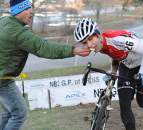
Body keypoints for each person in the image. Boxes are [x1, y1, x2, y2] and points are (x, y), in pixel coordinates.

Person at [0, 0, 90, 130]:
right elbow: (43, 48)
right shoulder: (18, 33)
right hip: (3, 80)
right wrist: (73, 50)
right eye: (27, 9)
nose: (31, 11)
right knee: (19, 114)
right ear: (17, 11)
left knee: (9, 113)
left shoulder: (4, 22)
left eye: (31, 7)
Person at [74, 18, 143, 130]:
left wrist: (141, 73)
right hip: (126, 66)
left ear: (97, 34)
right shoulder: (100, 45)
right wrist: (112, 72)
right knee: (124, 106)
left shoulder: (116, 39)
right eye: (85, 42)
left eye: (90, 39)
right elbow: (115, 55)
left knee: (142, 101)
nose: (89, 45)